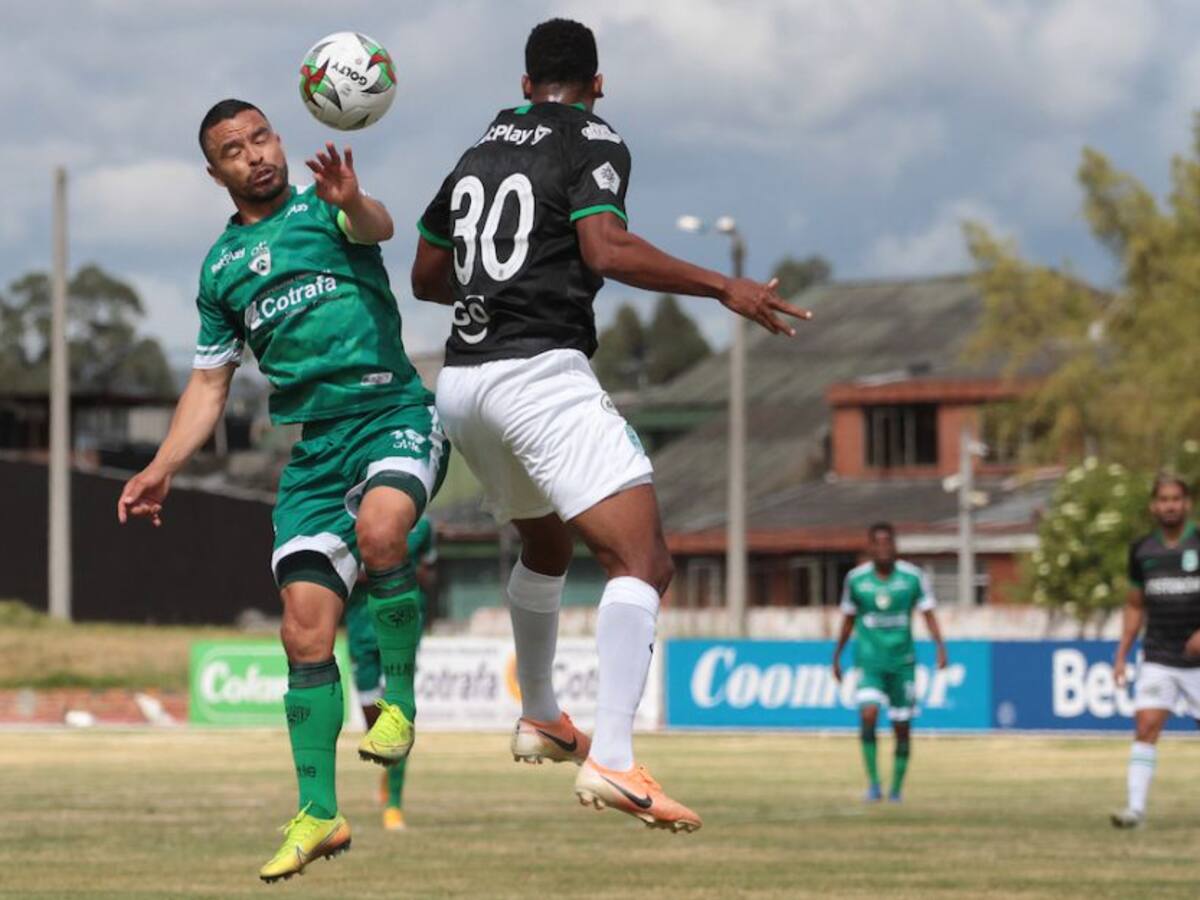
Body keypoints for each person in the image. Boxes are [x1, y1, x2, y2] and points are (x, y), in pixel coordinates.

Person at [410, 18, 810, 833]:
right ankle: (615, 759)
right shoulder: (593, 136)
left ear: (524, 84)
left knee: (548, 545)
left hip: (462, 381)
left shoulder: (477, 151)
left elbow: (425, 276)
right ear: (598, 83)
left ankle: (543, 715)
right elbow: (605, 248)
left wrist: (500, 284)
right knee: (644, 561)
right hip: (537, 374)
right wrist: (722, 286)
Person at [116, 99, 449, 882]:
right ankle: (320, 813)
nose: (255, 155)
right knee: (303, 633)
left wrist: (351, 201)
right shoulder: (220, 270)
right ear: (215, 172)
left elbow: (380, 228)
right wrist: (162, 465)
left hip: (390, 411)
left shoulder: (326, 210)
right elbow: (208, 384)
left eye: (262, 137)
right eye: (235, 149)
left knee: (382, 533)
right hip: (313, 455)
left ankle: (396, 705)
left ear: (279, 139)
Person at [833, 522, 948, 803]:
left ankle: (896, 789)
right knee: (868, 714)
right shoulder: (856, 580)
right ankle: (874, 785)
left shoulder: (912, 578)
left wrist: (940, 647)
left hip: (903, 663)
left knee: (902, 726)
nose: (884, 548)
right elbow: (848, 620)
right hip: (870, 663)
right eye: (878, 543)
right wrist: (836, 656)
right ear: (870, 547)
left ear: (895, 546)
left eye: (888, 543)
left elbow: (928, 613)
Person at [1111, 474, 1200, 829]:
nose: (1169, 505)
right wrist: (1121, 653)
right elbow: (1134, 605)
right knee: (1146, 725)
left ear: (1187, 503)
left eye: (1175, 499)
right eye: (1163, 499)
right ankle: (1135, 810)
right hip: (1158, 655)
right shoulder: (1142, 550)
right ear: (1153, 506)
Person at [345, 516, 438, 831]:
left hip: (403, 626)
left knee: (397, 716)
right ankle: (390, 770)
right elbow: (345, 573)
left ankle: (394, 805)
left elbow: (429, 573)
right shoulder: (352, 523)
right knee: (373, 721)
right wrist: (381, 569)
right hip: (361, 629)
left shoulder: (422, 526)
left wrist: (409, 576)